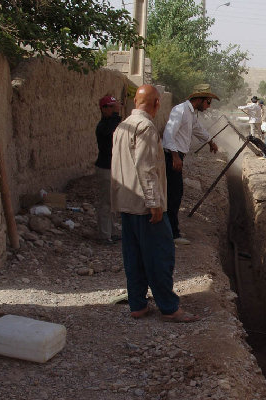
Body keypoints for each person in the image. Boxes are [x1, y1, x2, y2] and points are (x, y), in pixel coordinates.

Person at [110, 84, 197, 322]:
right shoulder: (146, 128)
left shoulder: (122, 126)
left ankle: (138, 305)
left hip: (127, 204)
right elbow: (146, 168)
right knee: (160, 256)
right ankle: (169, 308)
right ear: (157, 103)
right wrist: (154, 203)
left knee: (134, 256)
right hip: (145, 206)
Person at [162, 84, 219, 245]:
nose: (208, 107)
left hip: (177, 156)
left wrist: (210, 142)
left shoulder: (191, 113)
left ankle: (170, 229)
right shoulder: (180, 110)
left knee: (175, 194)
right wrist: (175, 156)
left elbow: (197, 129)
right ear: (199, 99)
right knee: (174, 195)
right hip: (171, 157)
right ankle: (171, 234)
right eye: (208, 103)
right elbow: (168, 134)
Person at [94, 95, 122, 243]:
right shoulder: (103, 126)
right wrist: (116, 114)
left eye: (114, 107)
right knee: (105, 203)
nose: (112, 110)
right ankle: (104, 234)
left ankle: (110, 231)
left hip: (113, 167)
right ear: (103, 109)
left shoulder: (111, 123)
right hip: (105, 168)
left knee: (112, 202)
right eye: (110, 107)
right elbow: (111, 128)